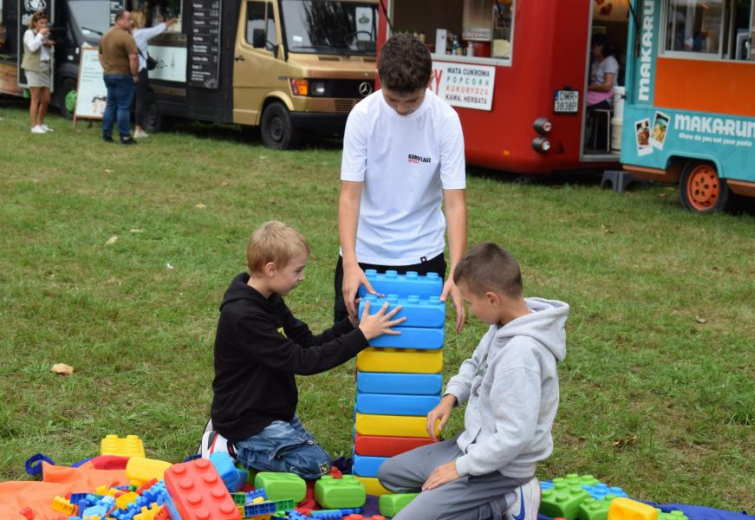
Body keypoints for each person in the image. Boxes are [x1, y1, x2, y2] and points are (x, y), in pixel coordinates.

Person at [378, 242, 569, 520]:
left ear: (492, 299)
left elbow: (515, 437)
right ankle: (457, 496)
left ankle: (509, 500)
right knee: (389, 474)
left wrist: (458, 469)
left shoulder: (521, 356)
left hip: (500, 470)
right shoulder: (503, 323)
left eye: (470, 302)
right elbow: (474, 365)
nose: (470, 309)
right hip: (471, 447)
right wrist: (450, 397)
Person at [210, 221, 404, 479]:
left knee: (319, 463)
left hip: (273, 413)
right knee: (318, 465)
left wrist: (350, 325)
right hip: (246, 421)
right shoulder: (244, 317)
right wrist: (363, 336)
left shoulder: (269, 299)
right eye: (297, 270)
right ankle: (231, 446)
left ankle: (249, 446)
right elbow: (304, 361)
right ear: (271, 269)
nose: (302, 277)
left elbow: (308, 343)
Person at [336, 34, 467, 333]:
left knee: (413, 356)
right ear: (379, 78)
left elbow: (455, 203)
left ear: (430, 81)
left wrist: (457, 273)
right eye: (392, 99)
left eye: (412, 100)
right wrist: (349, 263)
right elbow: (349, 197)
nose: (402, 109)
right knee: (355, 349)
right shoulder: (362, 116)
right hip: (363, 257)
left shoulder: (446, 121)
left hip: (422, 257)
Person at [130, 11, 177, 139]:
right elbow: (158, 29)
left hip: (128, 70)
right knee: (141, 100)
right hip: (140, 70)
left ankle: (125, 126)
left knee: (128, 100)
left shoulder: (128, 34)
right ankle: (138, 129)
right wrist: (173, 20)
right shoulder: (141, 34)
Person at [99, 9, 139, 145]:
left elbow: (100, 55)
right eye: (129, 19)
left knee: (110, 105)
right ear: (120, 20)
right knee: (123, 106)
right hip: (123, 75)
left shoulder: (105, 35)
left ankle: (106, 134)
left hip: (108, 74)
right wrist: (134, 74)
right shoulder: (126, 37)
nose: (131, 22)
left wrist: (106, 68)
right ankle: (124, 136)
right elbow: (133, 57)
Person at [22, 11, 55, 134]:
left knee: (46, 99)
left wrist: (47, 43)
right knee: (35, 99)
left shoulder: (42, 35)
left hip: (45, 66)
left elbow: (41, 46)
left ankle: (41, 124)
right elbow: (32, 47)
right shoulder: (29, 33)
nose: (44, 25)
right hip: (34, 67)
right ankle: (34, 126)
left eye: (45, 23)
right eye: (41, 23)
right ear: (35, 23)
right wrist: (41, 35)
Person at [586, 33, 619, 110]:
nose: (592, 50)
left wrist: (588, 88)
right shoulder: (595, 63)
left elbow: (607, 86)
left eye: (594, 46)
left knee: (581, 101)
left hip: (606, 97)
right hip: (593, 93)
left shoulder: (610, 61)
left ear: (601, 46)